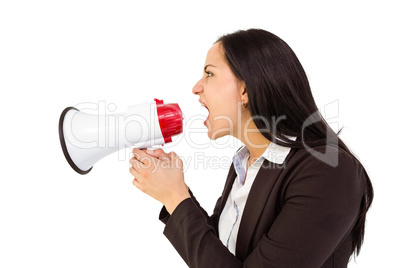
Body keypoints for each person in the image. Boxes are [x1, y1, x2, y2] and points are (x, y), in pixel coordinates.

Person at [128, 28, 373, 267]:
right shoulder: (245, 163)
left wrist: (176, 197)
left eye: (209, 74)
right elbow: (218, 254)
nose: (196, 87)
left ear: (245, 90)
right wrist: (176, 191)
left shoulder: (329, 171)